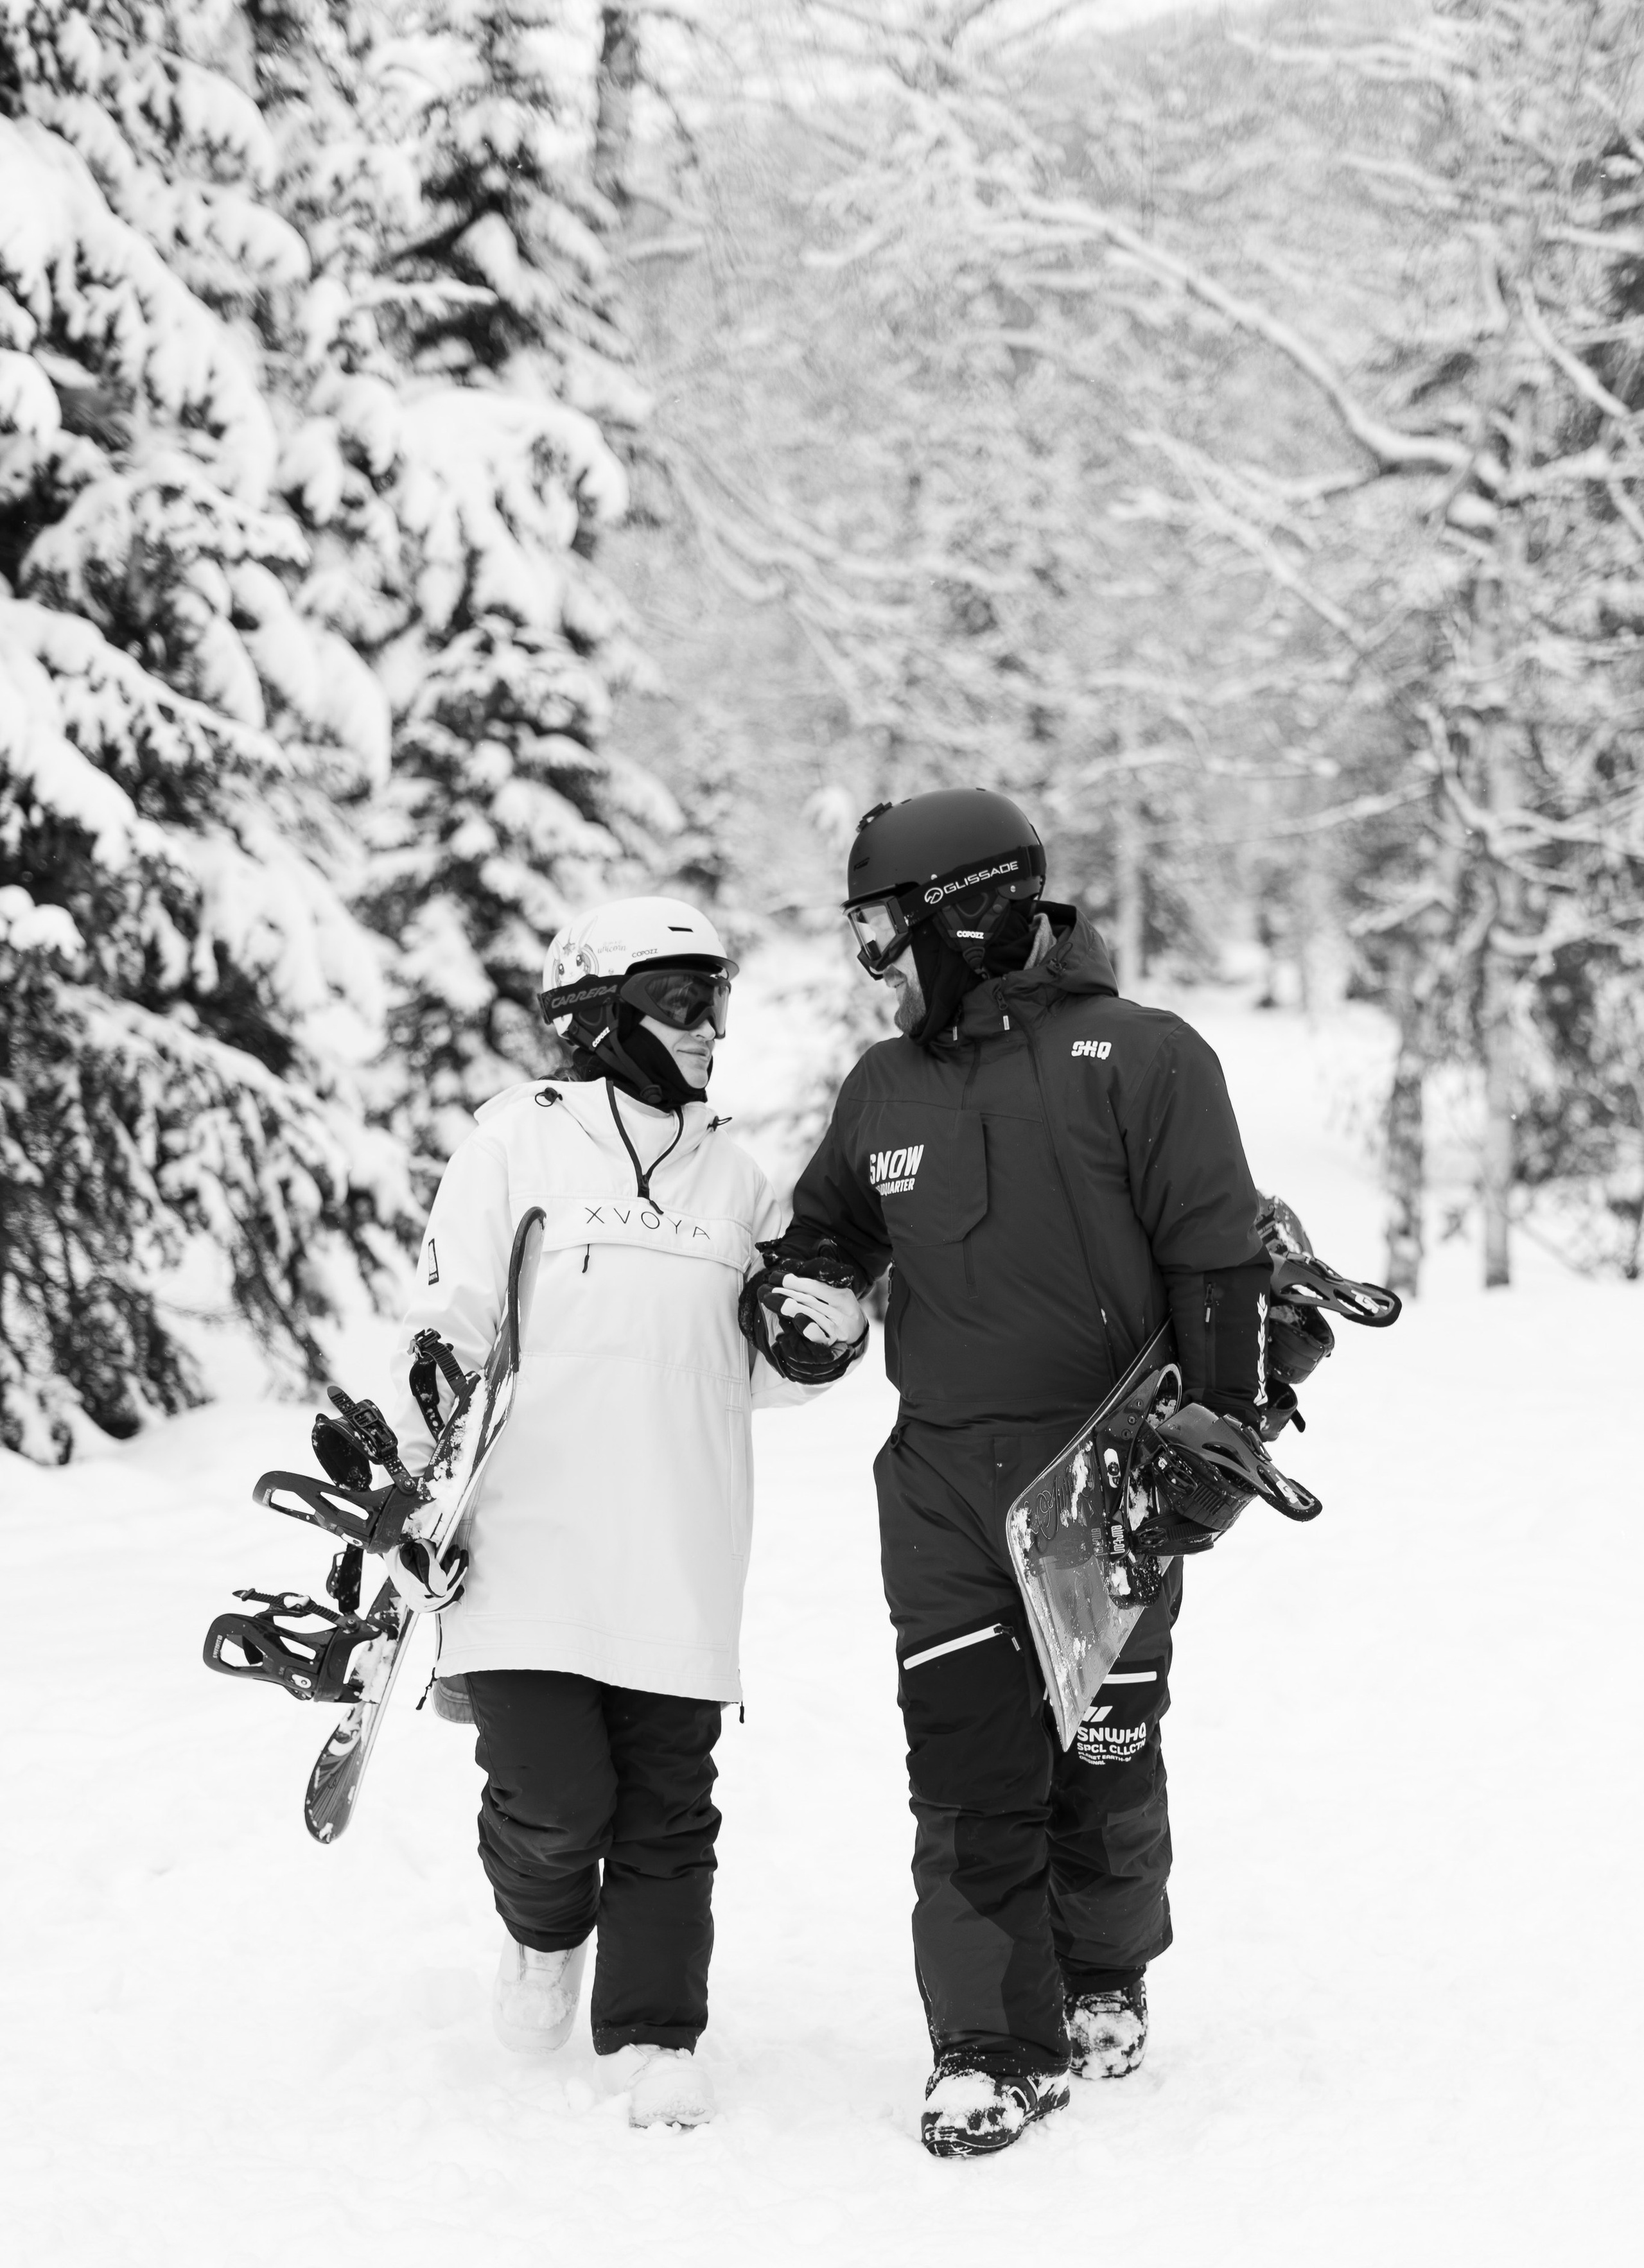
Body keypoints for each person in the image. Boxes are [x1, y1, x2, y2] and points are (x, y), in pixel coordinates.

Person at [743, 790, 1270, 2158]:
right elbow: (827, 1235)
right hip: (937, 1489)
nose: (873, 959)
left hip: (1103, 1467)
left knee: (1101, 1754)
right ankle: (991, 2041)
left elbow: (1216, 1260)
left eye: (883, 928)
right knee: (966, 1771)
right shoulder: (883, 1086)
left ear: (968, 912)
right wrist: (804, 1304)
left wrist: (1216, 1431)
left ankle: (1103, 1970)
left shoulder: (1140, 1057)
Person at [385, 895, 868, 2129]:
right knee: (554, 1801)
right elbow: (446, 1324)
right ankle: (543, 1933)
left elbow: (760, 1367)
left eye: (718, 997)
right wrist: (420, 1450)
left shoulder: (738, 1178)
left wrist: (817, 1345)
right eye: (681, 998)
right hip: (528, 1543)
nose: (711, 1027)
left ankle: (656, 2033)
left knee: (669, 1809)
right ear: (599, 1014)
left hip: (679, 1541)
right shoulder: (515, 1141)